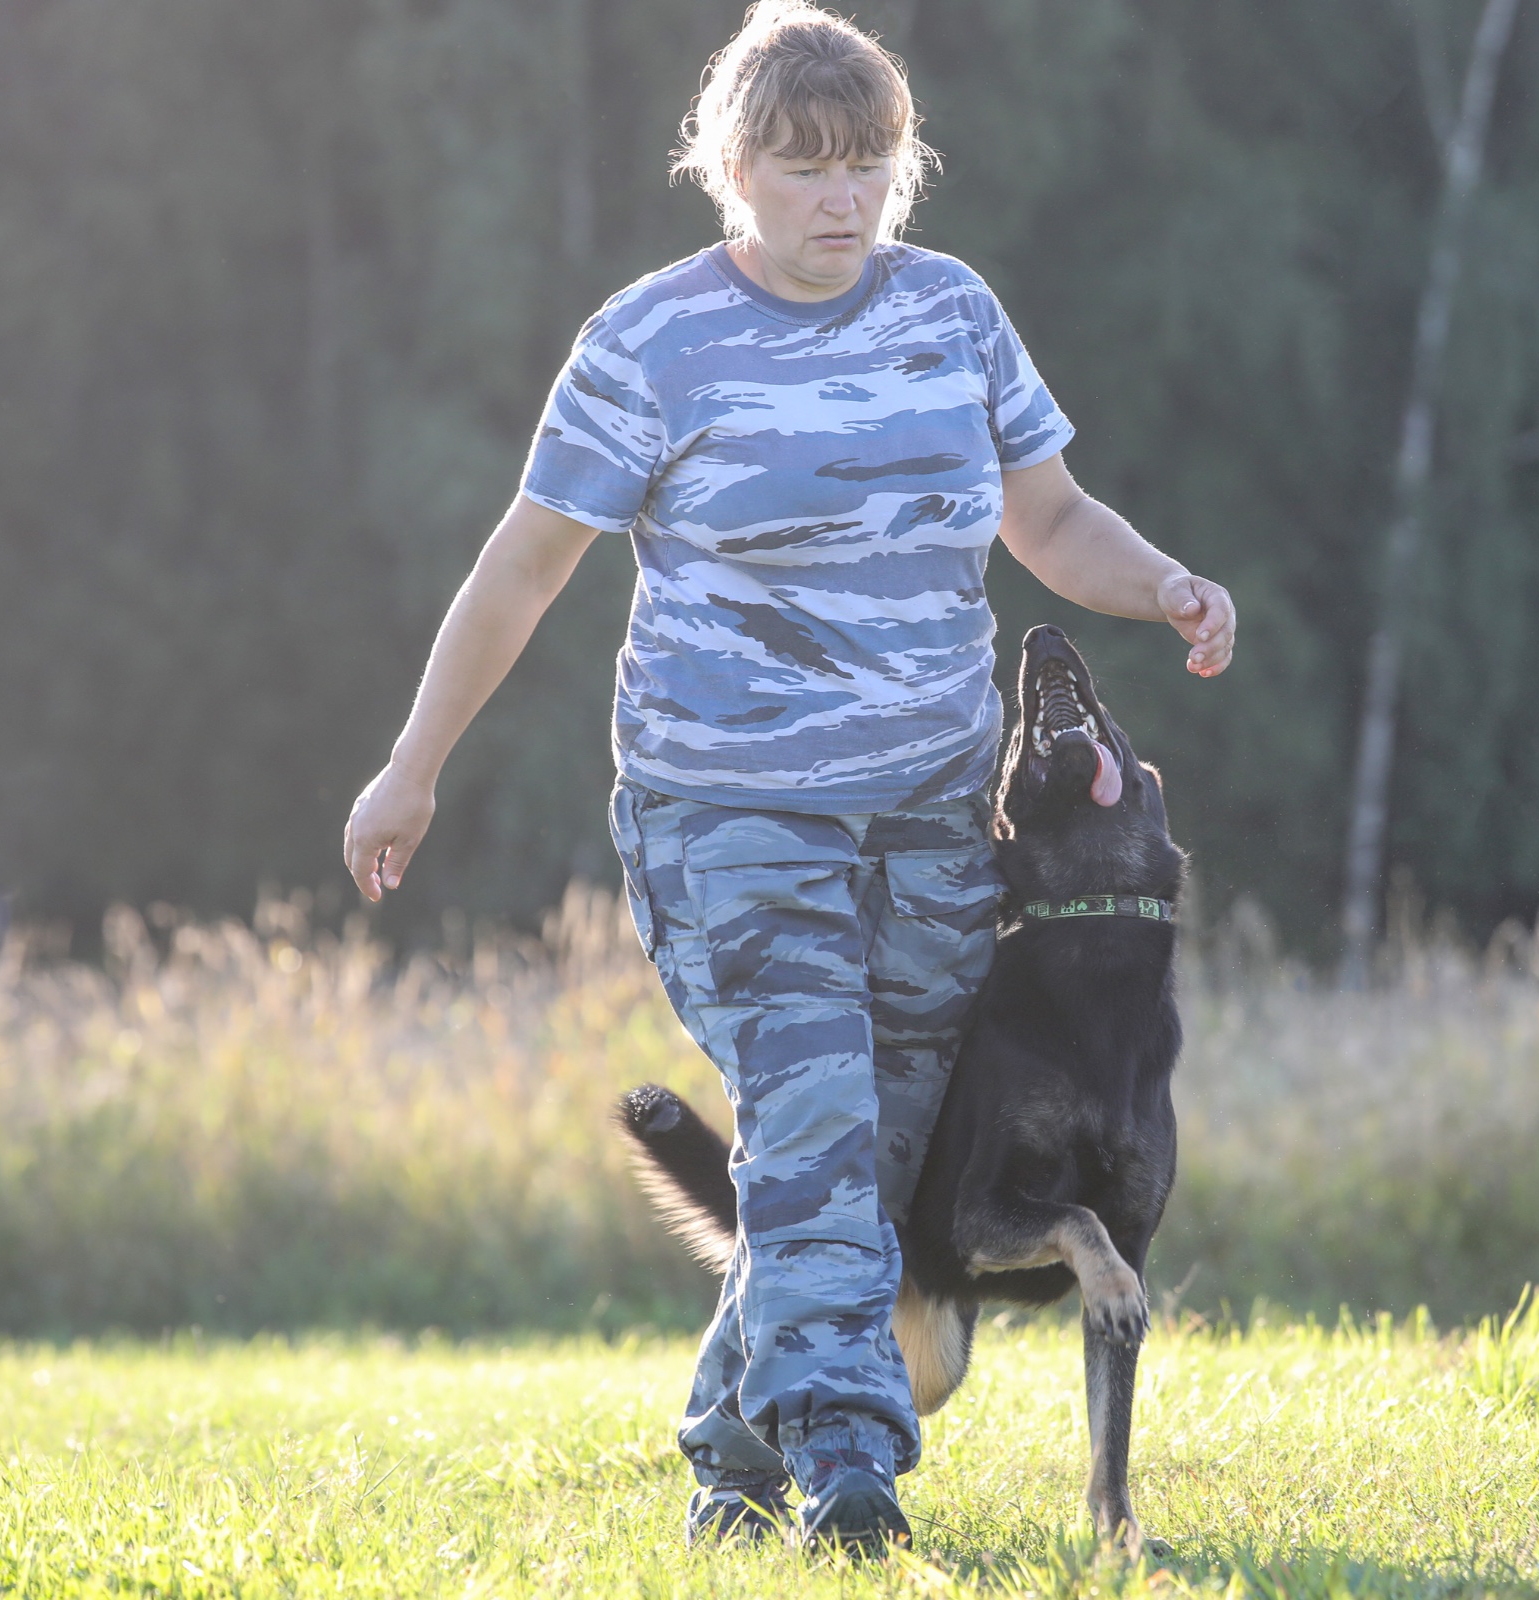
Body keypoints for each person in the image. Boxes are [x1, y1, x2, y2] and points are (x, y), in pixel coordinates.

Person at [342, 0, 1236, 1550]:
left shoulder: (953, 314)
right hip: (727, 816)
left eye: (868, 162)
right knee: (817, 1110)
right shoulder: (651, 344)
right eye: (806, 165)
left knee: (872, 1156)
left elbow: (1049, 519)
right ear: (731, 169)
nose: (843, 196)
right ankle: (850, 1473)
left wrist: (1163, 586)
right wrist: (411, 765)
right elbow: (521, 571)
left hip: (935, 827)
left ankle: (731, 1456)